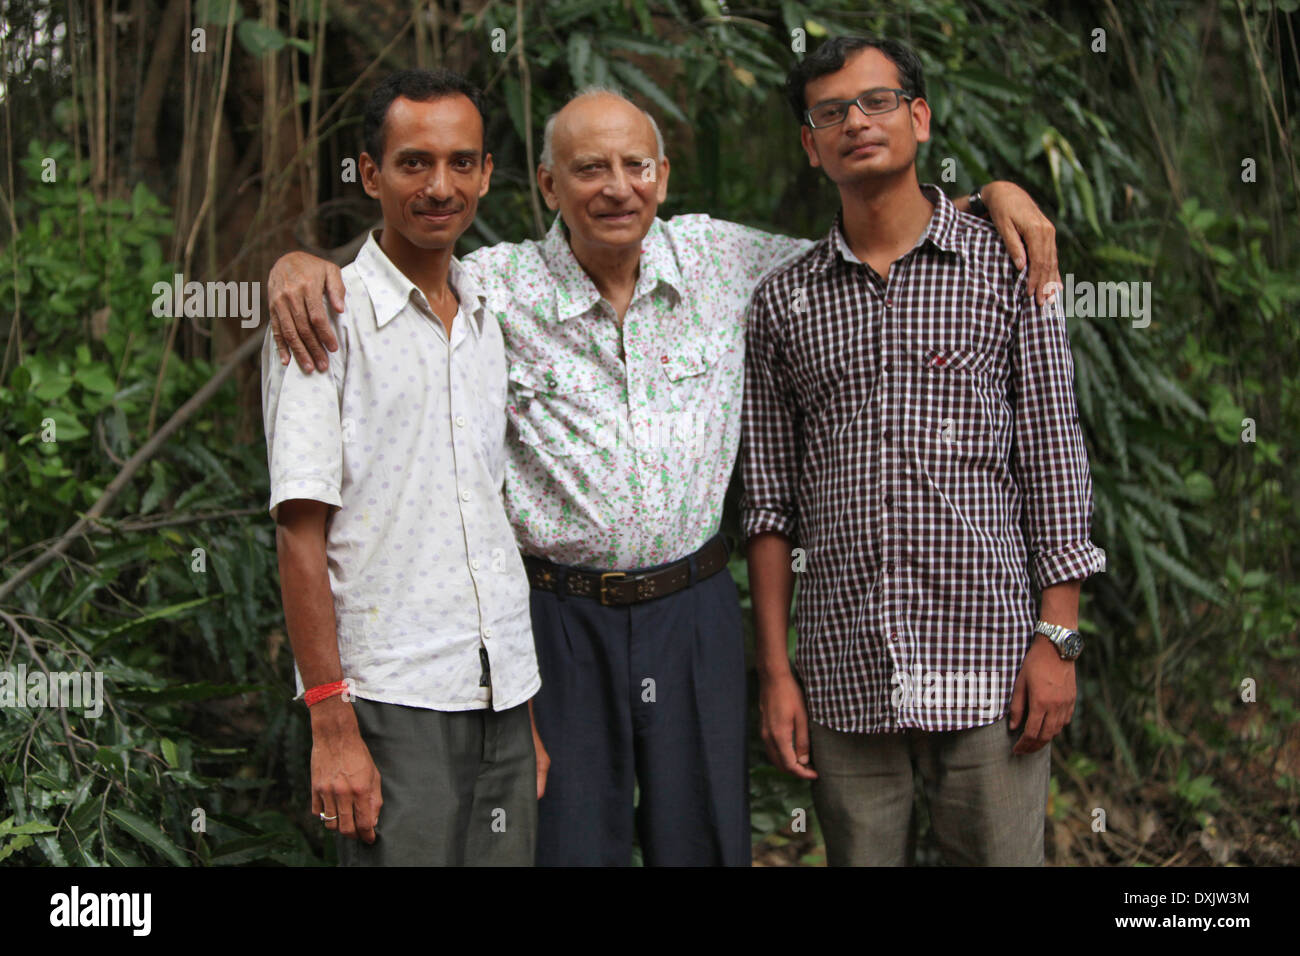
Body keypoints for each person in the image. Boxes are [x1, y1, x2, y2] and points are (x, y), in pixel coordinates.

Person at [266, 83, 1063, 865]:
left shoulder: (723, 260)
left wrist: (990, 197)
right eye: (588, 170)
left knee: (707, 839)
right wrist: (297, 267)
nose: (617, 188)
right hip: (559, 617)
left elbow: (865, 248)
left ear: (664, 175)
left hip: (694, 613)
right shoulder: (493, 288)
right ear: (547, 184)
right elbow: (402, 275)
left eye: (636, 165)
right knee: (571, 844)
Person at [743, 36, 1106, 866]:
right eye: (830, 112)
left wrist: (1059, 639)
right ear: (810, 143)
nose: (855, 123)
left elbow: (1053, 453)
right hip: (843, 674)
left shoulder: (1008, 265)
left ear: (920, 117)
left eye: (876, 102)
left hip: (990, 663)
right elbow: (768, 506)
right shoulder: (783, 304)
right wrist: (776, 674)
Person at [262, 68, 544, 866]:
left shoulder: (490, 316)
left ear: (488, 173)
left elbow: (485, 517)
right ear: (370, 173)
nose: (439, 186)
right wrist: (331, 724)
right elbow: (299, 539)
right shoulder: (324, 319)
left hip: (500, 694)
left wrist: (520, 714)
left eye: (462, 162)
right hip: (389, 700)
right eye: (414, 162)